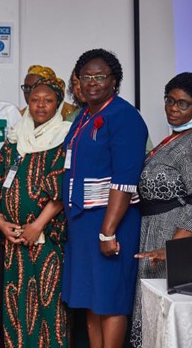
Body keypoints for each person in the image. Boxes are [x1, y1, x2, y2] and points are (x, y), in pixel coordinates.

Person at [61, 49, 148, 348]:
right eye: (86, 77)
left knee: (110, 299)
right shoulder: (84, 116)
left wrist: (107, 231)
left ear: (114, 81)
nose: (92, 83)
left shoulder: (123, 116)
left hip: (110, 221)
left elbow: (124, 180)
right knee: (91, 299)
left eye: (100, 76)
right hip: (83, 223)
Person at [0, 77, 71, 347]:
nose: (40, 105)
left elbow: (62, 188)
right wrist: (1, 221)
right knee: (16, 309)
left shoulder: (64, 137)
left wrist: (37, 225)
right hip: (13, 241)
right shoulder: (15, 137)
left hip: (46, 239)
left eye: (48, 100)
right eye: (35, 99)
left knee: (50, 307)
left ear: (58, 104)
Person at [130, 72, 192, 348]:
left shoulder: (190, 144)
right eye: (170, 100)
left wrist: (172, 248)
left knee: (164, 312)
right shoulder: (171, 140)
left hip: (172, 235)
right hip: (152, 230)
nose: (173, 108)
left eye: (183, 104)